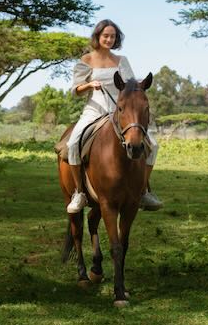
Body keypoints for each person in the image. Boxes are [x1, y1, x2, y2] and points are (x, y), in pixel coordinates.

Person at [65, 19, 163, 214]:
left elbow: (130, 86)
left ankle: (143, 191)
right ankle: (79, 193)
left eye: (113, 36)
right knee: (73, 143)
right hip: (94, 110)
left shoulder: (121, 60)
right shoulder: (86, 60)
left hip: (120, 112)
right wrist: (88, 85)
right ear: (98, 37)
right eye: (106, 36)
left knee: (153, 144)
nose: (109, 39)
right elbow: (75, 90)